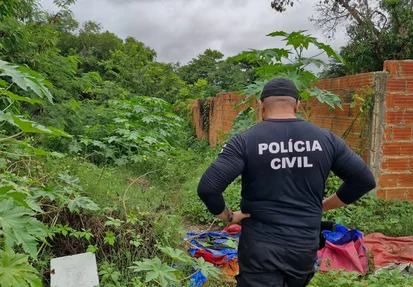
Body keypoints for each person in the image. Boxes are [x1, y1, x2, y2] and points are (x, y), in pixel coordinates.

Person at [196, 78, 376, 287]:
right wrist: (321, 206)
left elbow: (208, 188)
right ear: (297, 105)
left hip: (259, 248)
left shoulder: (245, 141)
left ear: (261, 106)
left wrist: (229, 217)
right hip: (303, 247)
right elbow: (363, 180)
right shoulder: (326, 139)